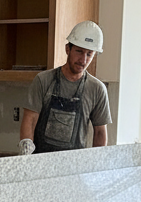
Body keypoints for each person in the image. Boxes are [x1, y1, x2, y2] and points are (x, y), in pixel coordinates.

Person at [19, 21, 111, 153]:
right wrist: (26, 149)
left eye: (89, 54)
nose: (83, 60)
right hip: (41, 160)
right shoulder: (43, 80)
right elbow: (30, 120)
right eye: (79, 51)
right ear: (68, 49)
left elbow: (100, 132)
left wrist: (98, 161)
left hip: (75, 163)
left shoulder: (97, 89)